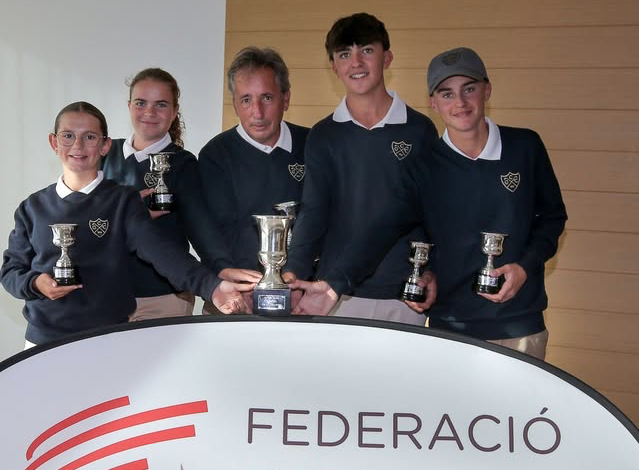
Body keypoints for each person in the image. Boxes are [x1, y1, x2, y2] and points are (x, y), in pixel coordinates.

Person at [293, 47, 567, 361]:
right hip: (450, 331)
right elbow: (380, 232)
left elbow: (552, 219)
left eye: (469, 89)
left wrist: (524, 266)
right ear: (433, 103)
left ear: (486, 89)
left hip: (521, 327)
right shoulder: (424, 169)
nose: (460, 103)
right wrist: (333, 285)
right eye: (447, 94)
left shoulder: (525, 146)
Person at [0, 101, 251, 348]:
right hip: (41, 342)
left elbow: (163, 254)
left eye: (89, 137)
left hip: (107, 339)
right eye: (68, 135)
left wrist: (213, 287)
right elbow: (11, 271)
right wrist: (35, 283)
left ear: (105, 145)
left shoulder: (122, 201)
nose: (77, 145)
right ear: (54, 142)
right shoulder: (31, 208)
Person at [283, 12, 439, 325]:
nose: (356, 62)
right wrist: (293, 276)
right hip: (334, 295)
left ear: (387, 57)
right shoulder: (323, 136)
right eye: (344, 54)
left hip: (403, 293)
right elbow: (314, 212)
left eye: (366, 50)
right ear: (334, 67)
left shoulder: (420, 130)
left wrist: (433, 270)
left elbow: (431, 213)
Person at [188, 46, 309, 312]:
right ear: (235, 104)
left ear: (285, 99)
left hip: (303, 295)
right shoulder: (214, 155)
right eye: (246, 100)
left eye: (267, 97)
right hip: (237, 295)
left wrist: (305, 281)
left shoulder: (313, 145)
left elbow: (324, 219)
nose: (257, 112)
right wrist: (223, 272)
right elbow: (209, 228)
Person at [101, 68, 197, 321]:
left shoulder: (185, 163)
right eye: (141, 103)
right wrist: (133, 212)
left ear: (175, 111)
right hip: (107, 294)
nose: (149, 112)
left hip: (163, 297)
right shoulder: (104, 154)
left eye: (161, 104)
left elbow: (202, 229)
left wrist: (216, 280)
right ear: (129, 105)